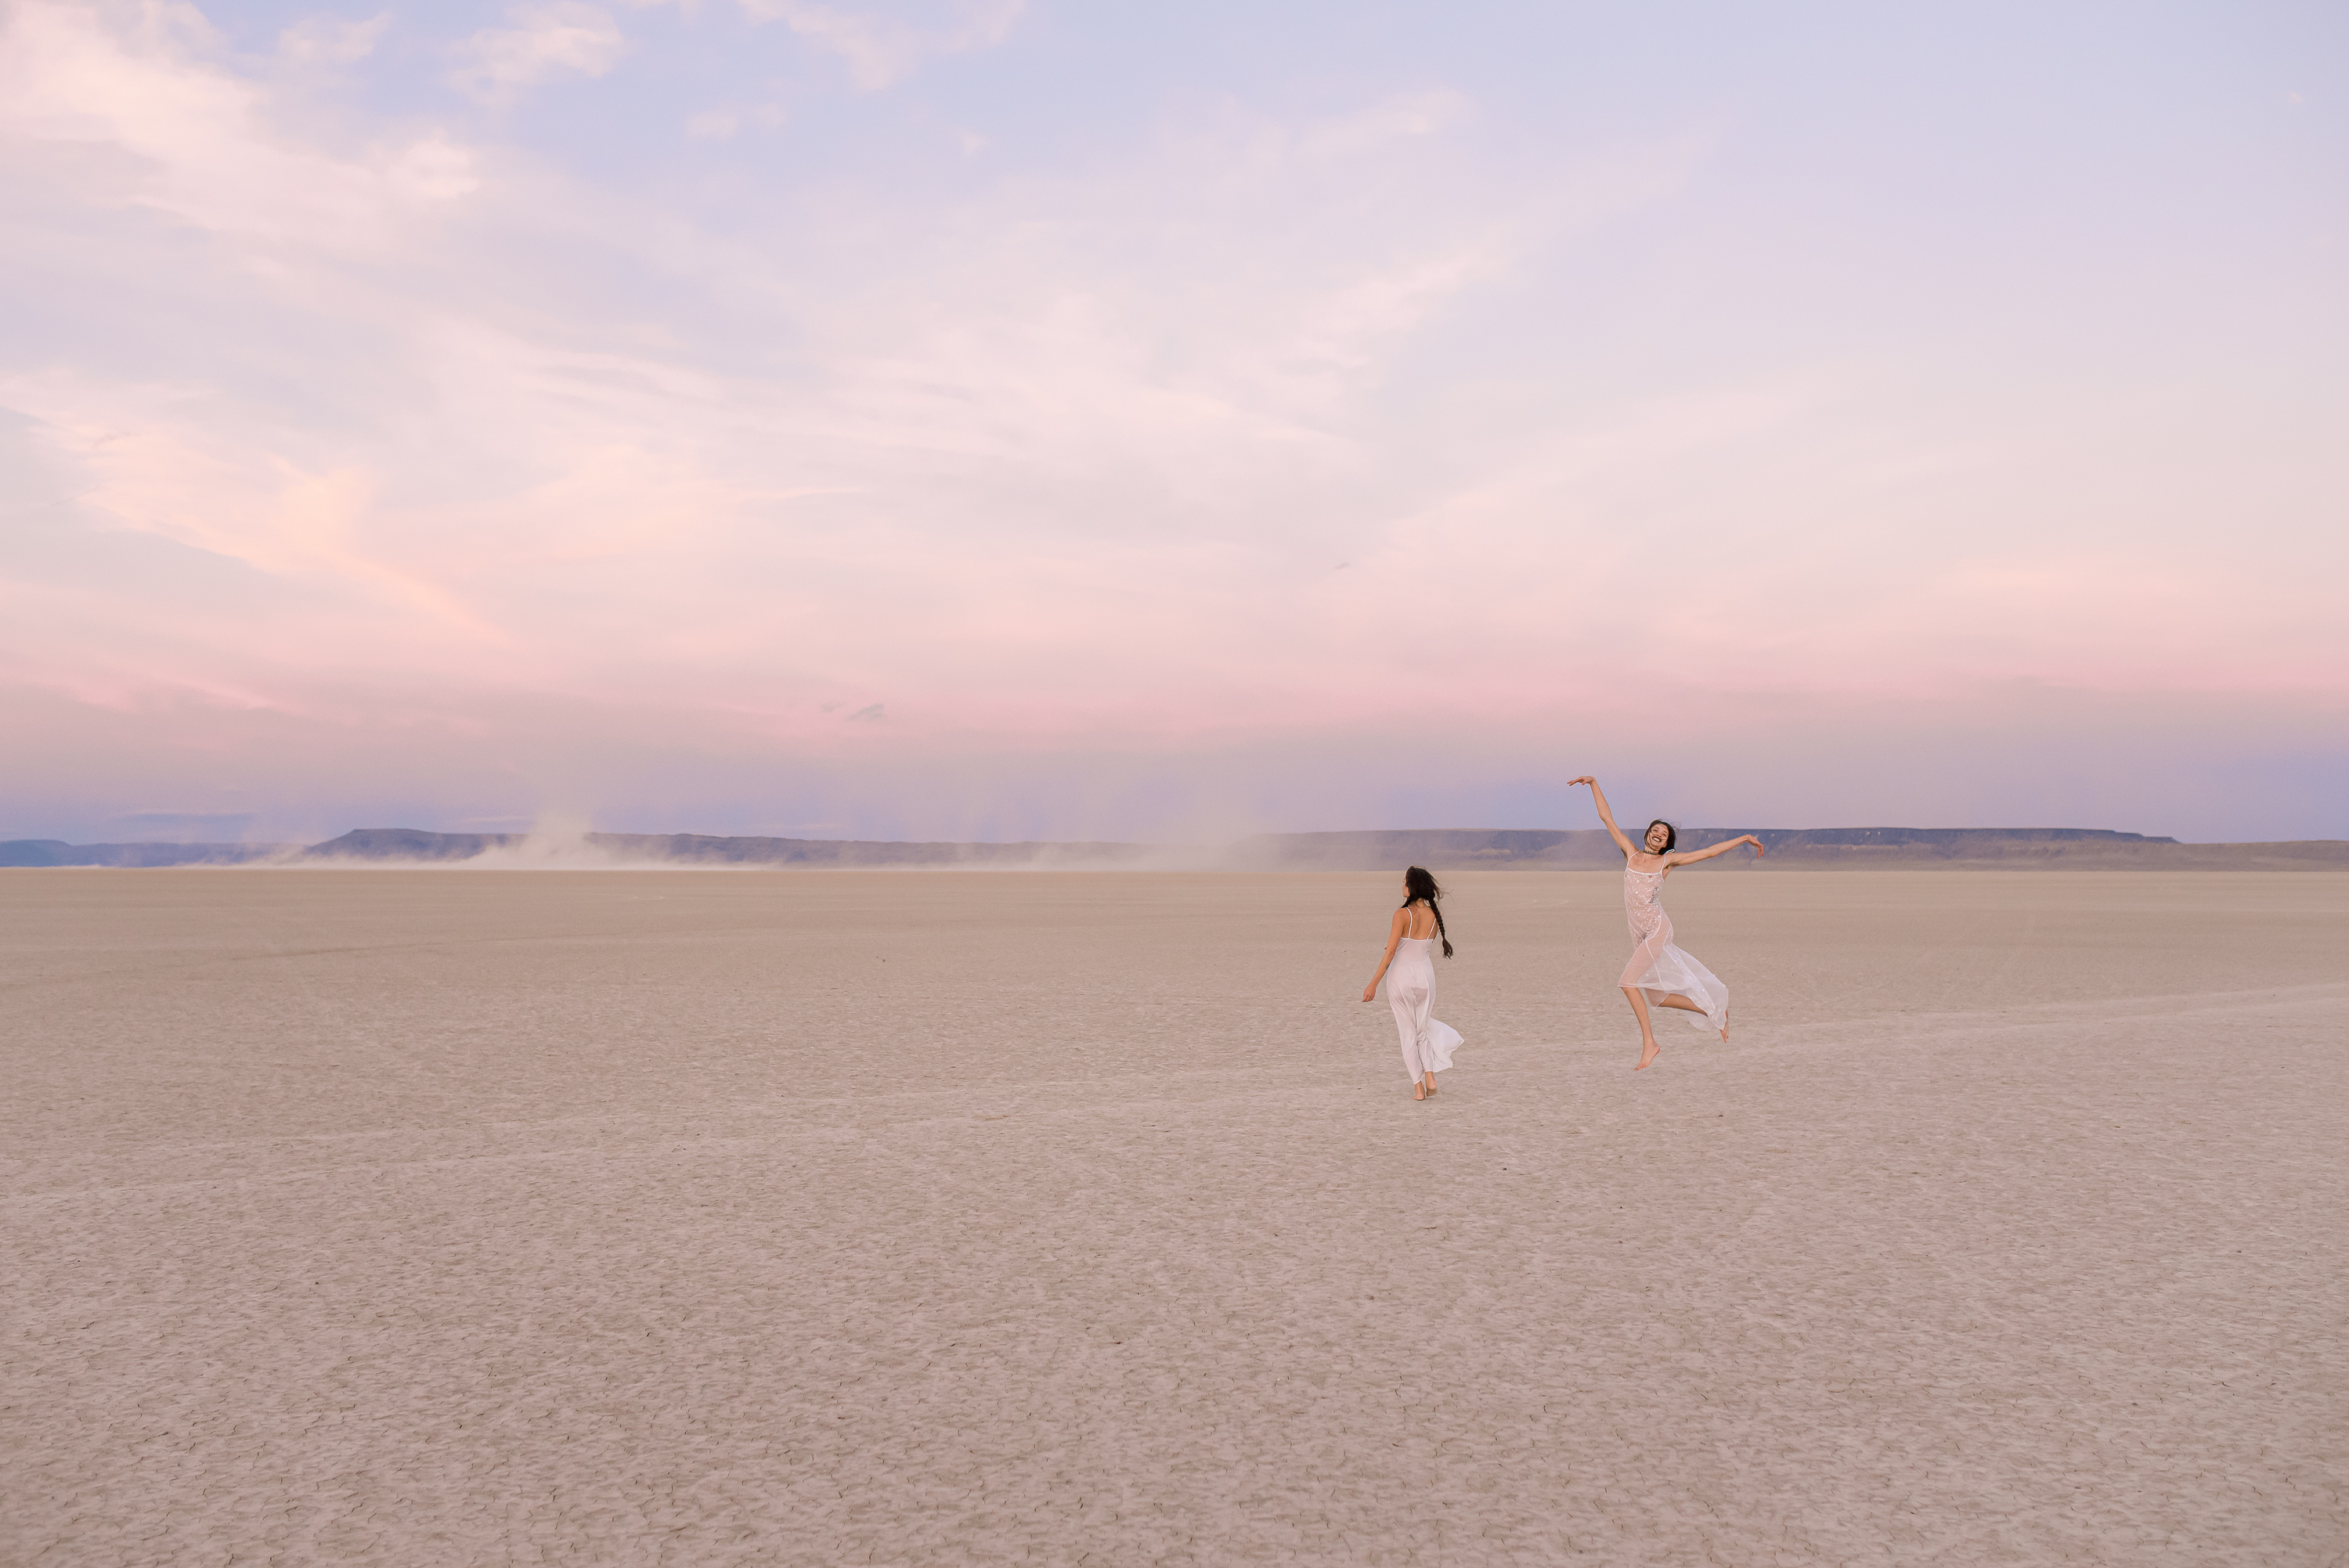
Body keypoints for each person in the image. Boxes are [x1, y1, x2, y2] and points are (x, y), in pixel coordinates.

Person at [1568, 777, 1765, 1071]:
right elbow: (1606, 817)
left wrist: (1744, 838)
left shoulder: (1667, 863)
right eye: (1655, 830)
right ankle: (1715, 1012)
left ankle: (1650, 1044)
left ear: (1667, 843)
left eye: (1664, 834)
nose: (1659, 834)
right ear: (1647, 834)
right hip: (1638, 933)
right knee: (1657, 998)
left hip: (1657, 928)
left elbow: (1708, 852)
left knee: (1627, 982)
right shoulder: (1630, 853)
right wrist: (1594, 783)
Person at [1361, 866, 1463, 1100]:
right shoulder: (1434, 916)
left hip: (1401, 977)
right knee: (1421, 1032)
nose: (1402, 885)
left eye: (1404, 881)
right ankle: (1430, 1076)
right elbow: (1418, 947)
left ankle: (1419, 1088)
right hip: (1426, 977)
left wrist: (1373, 984)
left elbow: (1391, 954)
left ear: (1412, 885)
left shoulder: (1401, 914)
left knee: (1408, 1035)